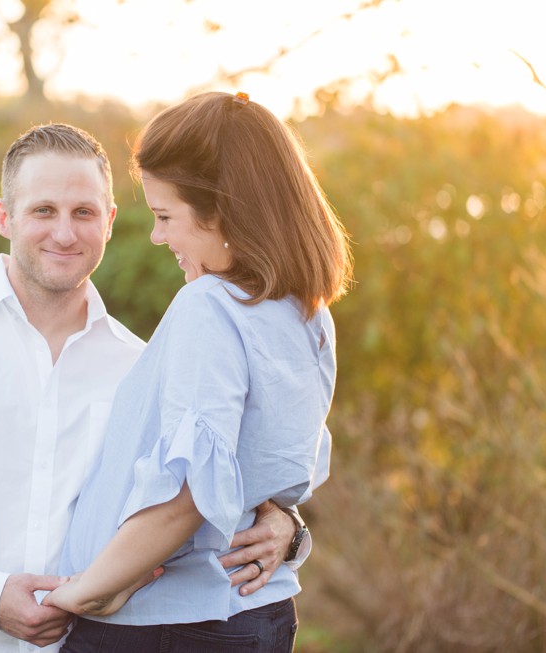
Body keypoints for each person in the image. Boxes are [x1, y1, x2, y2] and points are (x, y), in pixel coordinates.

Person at [0, 122, 300, 652]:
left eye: (83, 212)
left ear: (108, 222)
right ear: (4, 217)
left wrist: (287, 526)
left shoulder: (143, 366)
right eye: (43, 211)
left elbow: (192, 495)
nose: (64, 233)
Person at [43, 92, 353, 652]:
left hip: (165, 625)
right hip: (251, 615)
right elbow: (270, 469)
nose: (159, 236)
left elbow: (186, 498)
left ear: (223, 214)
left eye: (166, 217)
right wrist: (288, 522)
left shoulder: (208, 306)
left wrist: (85, 593)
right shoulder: (307, 314)